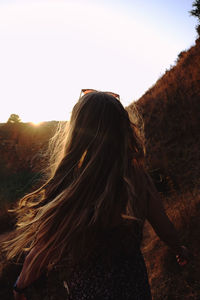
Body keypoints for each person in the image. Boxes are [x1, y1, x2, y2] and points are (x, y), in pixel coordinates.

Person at [4, 90, 190, 300]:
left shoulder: (74, 184)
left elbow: (42, 249)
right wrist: (179, 248)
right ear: (123, 129)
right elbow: (162, 224)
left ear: (77, 133)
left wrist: (20, 287)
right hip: (135, 290)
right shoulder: (136, 178)